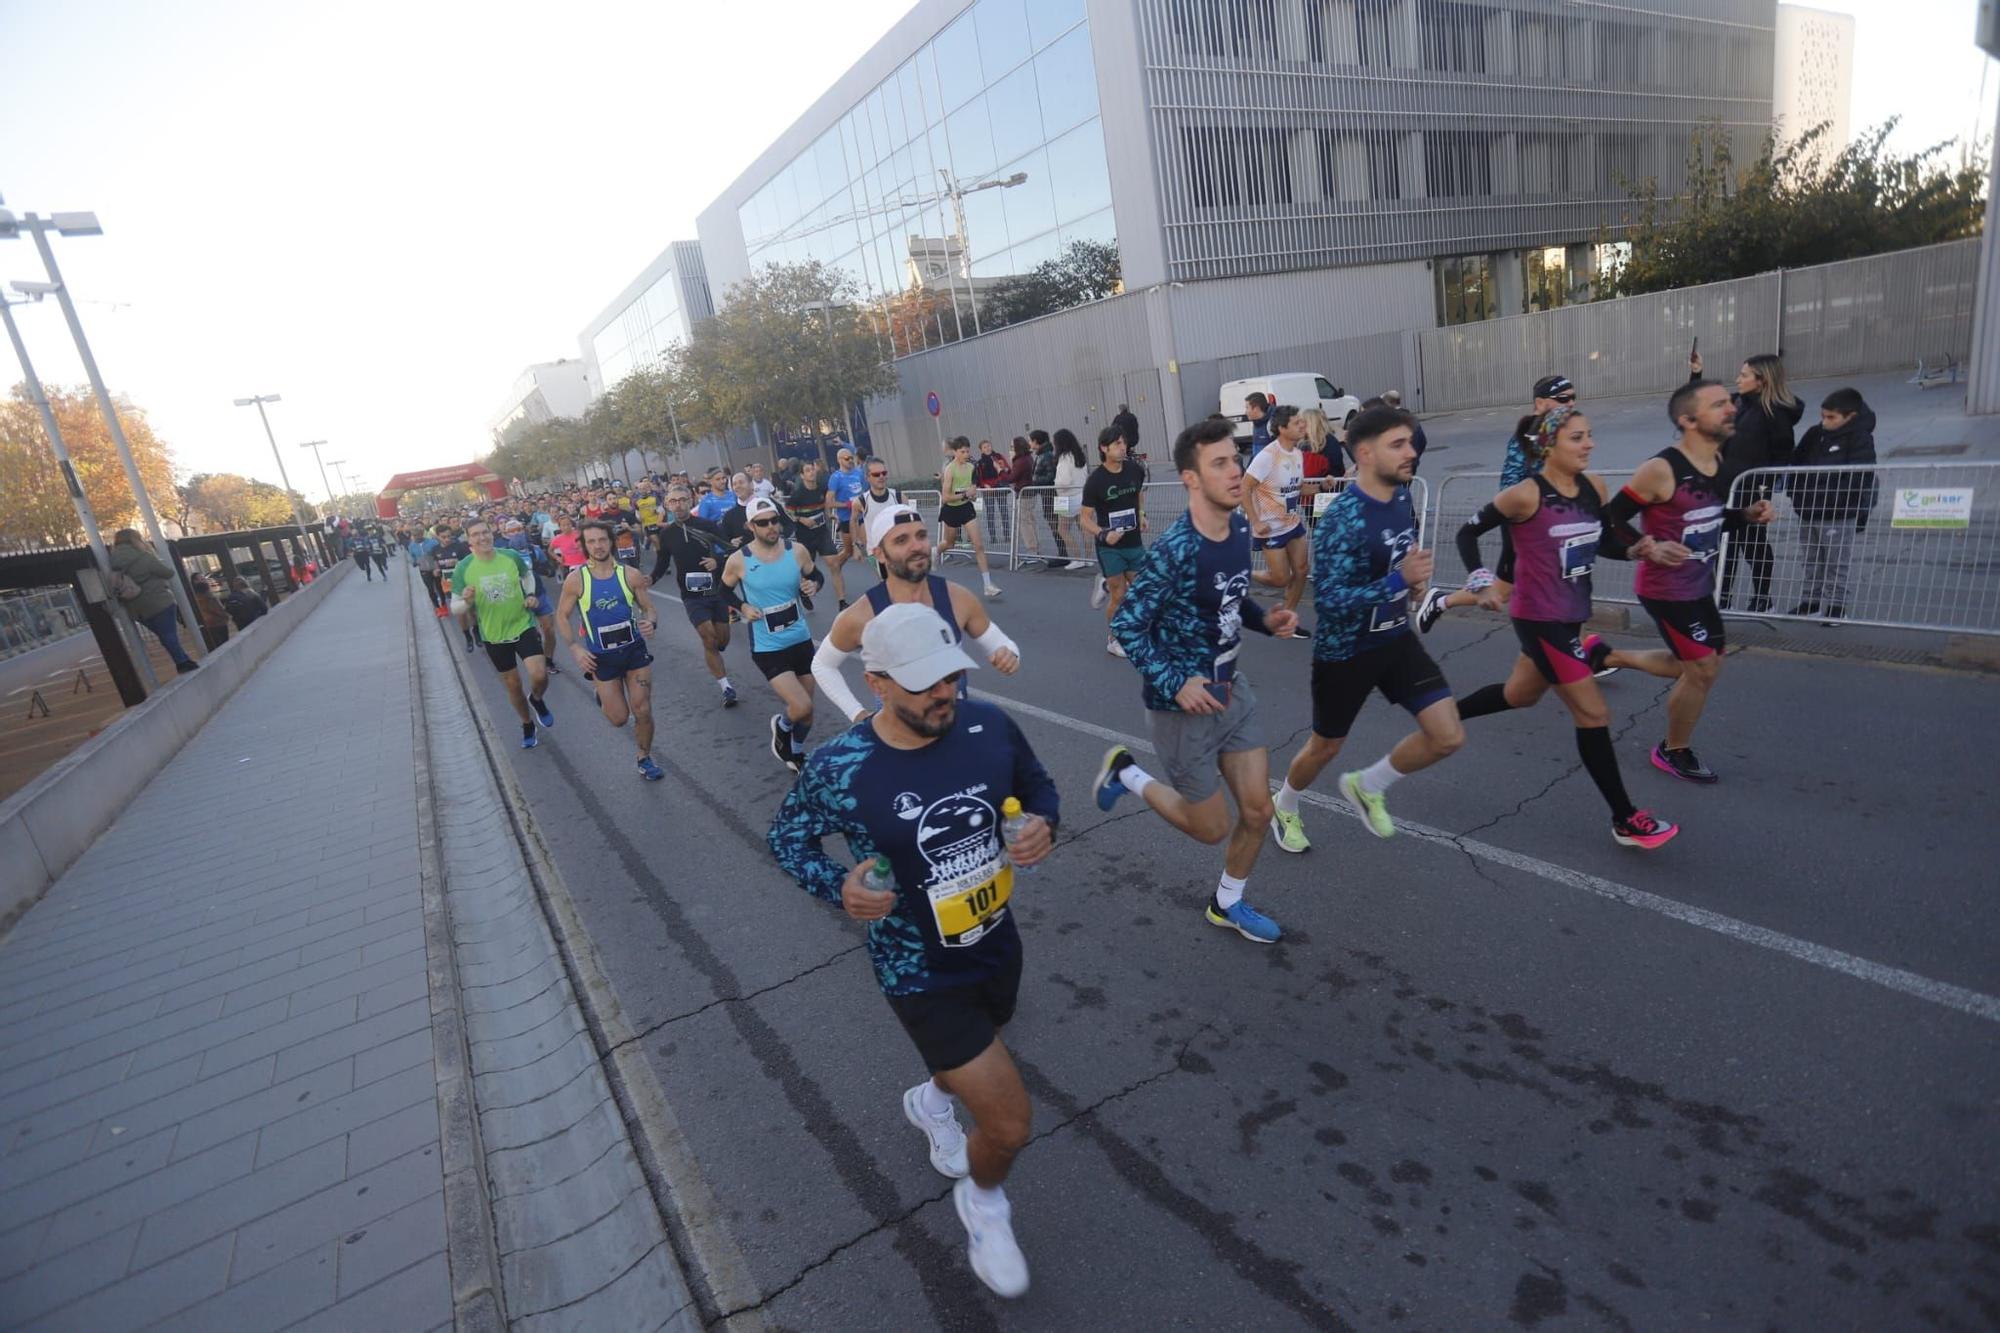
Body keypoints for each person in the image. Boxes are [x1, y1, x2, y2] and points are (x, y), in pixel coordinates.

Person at [769, 603, 1056, 1299]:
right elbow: (787, 839)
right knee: (1010, 1121)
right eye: (924, 683)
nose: (944, 694)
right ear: (877, 684)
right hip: (915, 965)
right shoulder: (844, 767)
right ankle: (983, 1205)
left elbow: (1037, 786)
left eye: (951, 677)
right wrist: (838, 885)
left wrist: (1044, 823)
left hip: (994, 939)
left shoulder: (988, 724)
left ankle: (929, 1099)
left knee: (984, 1045)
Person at [1094, 419, 1300, 943]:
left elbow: (1230, 598)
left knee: (1257, 810)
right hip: (1181, 709)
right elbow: (1127, 624)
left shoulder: (1235, 530)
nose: (1235, 472)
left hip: (1234, 691)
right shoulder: (1174, 550)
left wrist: (1264, 620)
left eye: (1235, 459)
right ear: (1190, 479)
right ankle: (1126, 776)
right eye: (1220, 464)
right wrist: (1176, 681)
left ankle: (1226, 903)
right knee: (1211, 828)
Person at [1451, 406, 1681, 848]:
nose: (1589, 443)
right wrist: (1479, 578)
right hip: (1538, 618)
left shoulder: (1593, 487)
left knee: (1520, 694)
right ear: (1549, 446)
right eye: (1577, 437)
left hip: (1573, 613)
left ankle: (1443, 718)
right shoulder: (1524, 495)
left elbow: (1605, 540)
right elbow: (1467, 533)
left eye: (1589, 435)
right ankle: (1625, 819)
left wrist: (1638, 549)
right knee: (1593, 713)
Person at [1269, 407, 1464, 852]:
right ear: (1365, 453)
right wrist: (1397, 580)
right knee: (1325, 747)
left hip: (1395, 638)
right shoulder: (1343, 519)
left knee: (1448, 735)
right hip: (1347, 652)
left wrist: (1414, 584)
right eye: (1398, 444)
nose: (1411, 452)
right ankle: (1286, 803)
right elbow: (1331, 600)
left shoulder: (1399, 497)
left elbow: (1400, 554)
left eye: (1410, 442)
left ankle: (1368, 784)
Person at [1593, 380, 1775, 784]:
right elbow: (1608, 521)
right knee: (1703, 670)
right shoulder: (1661, 469)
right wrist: (1646, 545)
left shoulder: (1721, 465)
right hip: (1666, 590)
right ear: (1688, 420)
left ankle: (1607, 656)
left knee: (1693, 665)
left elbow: (1707, 521)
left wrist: (1745, 515)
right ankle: (1672, 750)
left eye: (1730, 402)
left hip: (1699, 586)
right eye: (1718, 404)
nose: (1730, 409)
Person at [812, 502, 1021, 724]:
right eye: (901, 540)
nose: (916, 546)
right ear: (880, 554)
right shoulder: (862, 614)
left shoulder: (957, 598)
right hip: (898, 744)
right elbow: (822, 665)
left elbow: (1001, 644)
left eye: (921, 536)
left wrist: (1008, 655)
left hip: (956, 731)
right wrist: (858, 714)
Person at [1417, 373, 1578, 633]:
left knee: (1567, 584)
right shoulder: (1526, 438)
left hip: (1556, 526)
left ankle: (1576, 653)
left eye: (1572, 398)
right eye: (1562, 399)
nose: (1570, 403)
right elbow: (1509, 488)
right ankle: (1441, 600)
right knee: (1505, 591)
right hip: (1524, 527)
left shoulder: (1569, 435)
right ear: (1540, 404)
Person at [1691, 350, 1802, 613]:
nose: (1738, 379)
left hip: (1753, 487)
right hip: (1725, 485)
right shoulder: (1737, 403)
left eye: (1744, 375)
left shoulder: (1775, 413)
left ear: (1761, 380)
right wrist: (1697, 373)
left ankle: (1762, 597)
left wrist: (1767, 488)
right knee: (1722, 542)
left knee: (1753, 543)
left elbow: (1782, 452)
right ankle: (1722, 595)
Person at [557, 521, 664, 781]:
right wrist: (574, 648)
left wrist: (651, 622)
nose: (598, 545)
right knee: (618, 718)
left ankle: (644, 758)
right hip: (601, 658)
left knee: (643, 710)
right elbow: (561, 615)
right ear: (584, 546)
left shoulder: (630, 575)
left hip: (634, 652)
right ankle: (602, 696)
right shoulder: (576, 580)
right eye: (591, 541)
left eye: (602, 540)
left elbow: (649, 608)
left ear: (611, 541)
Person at [723, 497, 820, 773]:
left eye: (774, 520)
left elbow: (816, 577)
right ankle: (782, 725)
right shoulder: (739, 560)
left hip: (800, 639)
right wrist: (742, 605)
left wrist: (813, 586)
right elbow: (722, 591)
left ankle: (796, 752)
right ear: (750, 526)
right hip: (768, 646)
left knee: (808, 710)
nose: (771, 527)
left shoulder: (797, 550)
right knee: (799, 705)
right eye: (763, 523)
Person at [451, 518, 556, 750]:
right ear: (469, 540)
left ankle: (536, 699)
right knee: (513, 685)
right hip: (494, 635)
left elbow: (526, 575)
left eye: (485, 532)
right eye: (476, 534)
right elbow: (455, 607)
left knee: (539, 675)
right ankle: (527, 723)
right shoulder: (463, 568)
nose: (482, 538)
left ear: (492, 532)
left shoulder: (510, 556)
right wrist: (466, 601)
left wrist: (529, 594)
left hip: (523, 624)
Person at [1785, 386, 1878, 623]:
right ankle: (1810, 602)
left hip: (1837, 513)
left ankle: (1837, 607)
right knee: (1811, 559)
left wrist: (1837, 501)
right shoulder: (1815, 434)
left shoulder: (1860, 438)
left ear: (1850, 417)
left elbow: (1860, 476)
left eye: (1831, 417)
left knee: (1837, 561)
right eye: (1823, 416)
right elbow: (1796, 462)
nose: (1824, 422)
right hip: (1808, 510)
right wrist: (1797, 495)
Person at [652, 485, 738, 707]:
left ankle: (717, 651)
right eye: (673, 501)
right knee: (708, 638)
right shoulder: (666, 534)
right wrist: (649, 580)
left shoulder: (707, 526)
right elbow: (662, 564)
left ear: (690, 501)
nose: (678, 504)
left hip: (717, 590)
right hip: (691, 595)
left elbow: (731, 551)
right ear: (667, 505)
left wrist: (716, 562)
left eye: (682, 500)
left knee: (722, 639)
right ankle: (726, 687)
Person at [1242, 405, 1321, 633]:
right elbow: (1245, 488)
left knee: (1302, 569)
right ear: (1282, 428)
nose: (1303, 426)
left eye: (1302, 422)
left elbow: (1295, 489)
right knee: (1280, 579)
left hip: (1292, 523)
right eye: (1297, 423)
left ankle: (1288, 618)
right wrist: (1255, 521)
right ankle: (1245, 572)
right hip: (1271, 527)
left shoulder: (1297, 454)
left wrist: (1318, 487)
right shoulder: (1267, 456)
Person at [1080, 426, 1148, 656]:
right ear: (1103, 448)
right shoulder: (1096, 481)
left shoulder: (1135, 470)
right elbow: (1084, 519)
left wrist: (1142, 514)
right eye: (1117, 444)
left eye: (1123, 443)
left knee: (1141, 590)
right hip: (1110, 547)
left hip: (1134, 542)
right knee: (1120, 595)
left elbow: (1138, 493)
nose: (1122, 448)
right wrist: (1103, 533)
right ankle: (1114, 638)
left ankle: (1106, 584)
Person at [108, 528, 198, 673]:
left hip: (136, 608)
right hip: (159, 601)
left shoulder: (111, 562)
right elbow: (168, 573)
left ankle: (184, 659)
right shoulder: (144, 557)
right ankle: (182, 662)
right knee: (169, 635)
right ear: (135, 539)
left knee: (165, 636)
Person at [938, 437, 1004, 598]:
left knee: (979, 546)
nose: (966, 454)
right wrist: (964, 494)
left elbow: (972, 489)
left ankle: (988, 585)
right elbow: (945, 497)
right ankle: (935, 551)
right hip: (951, 510)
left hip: (966, 508)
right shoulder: (949, 470)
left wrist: (972, 495)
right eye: (962, 452)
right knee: (949, 543)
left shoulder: (971, 467)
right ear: (955, 452)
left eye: (968, 451)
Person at [825, 448, 868, 609]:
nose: (850, 460)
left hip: (861, 516)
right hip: (846, 518)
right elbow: (829, 502)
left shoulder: (858, 473)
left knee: (869, 545)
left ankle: (884, 579)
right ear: (839, 460)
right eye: (846, 458)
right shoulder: (836, 478)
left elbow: (866, 492)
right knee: (849, 551)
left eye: (851, 458)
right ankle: (836, 565)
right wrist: (846, 504)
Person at [849, 459, 905, 581]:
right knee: (888, 585)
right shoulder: (861, 501)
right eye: (876, 474)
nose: (881, 477)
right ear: (867, 477)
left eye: (884, 473)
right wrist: (855, 546)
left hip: (899, 549)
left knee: (904, 584)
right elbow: (853, 521)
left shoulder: (899, 497)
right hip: (876, 552)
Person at [1050, 428, 1090, 571]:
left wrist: (1056, 483)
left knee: (1063, 529)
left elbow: (1064, 481)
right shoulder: (1080, 455)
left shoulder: (1064, 458)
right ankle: (1088, 558)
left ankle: (1077, 558)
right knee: (1084, 529)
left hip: (1066, 496)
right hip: (1082, 494)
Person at [1006, 438, 1038, 561]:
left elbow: (1011, 478)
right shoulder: (1028, 458)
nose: (1010, 450)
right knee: (1030, 520)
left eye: (1012, 447)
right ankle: (1035, 548)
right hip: (1029, 493)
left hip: (1024, 494)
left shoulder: (1020, 460)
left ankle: (1032, 550)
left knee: (1025, 522)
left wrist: (1001, 472)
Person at [410, 530, 447, 616]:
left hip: (435, 568)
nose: (416, 537)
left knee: (439, 587)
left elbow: (438, 553)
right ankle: (437, 608)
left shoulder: (432, 542)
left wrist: (438, 565)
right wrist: (415, 562)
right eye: (414, 535)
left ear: (422, 534)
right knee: (430, 589)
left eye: (418, 534)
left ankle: (444, 605)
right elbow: (412, 557)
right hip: (424, 570)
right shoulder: (412, 546)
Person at [192, 578, 231, 651]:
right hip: (219, 623)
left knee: (215, 645)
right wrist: (226, 616)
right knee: (224, 643)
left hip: (208, 625)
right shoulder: (211, 599)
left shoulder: (197, 601)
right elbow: (219, 610)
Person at [1243, 392, 1272, 458]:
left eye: (1247, 408)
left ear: (1256, 409)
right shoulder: (1257, 422)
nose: (1245, 412)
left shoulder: (1272, 423)